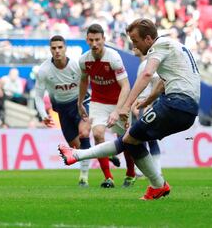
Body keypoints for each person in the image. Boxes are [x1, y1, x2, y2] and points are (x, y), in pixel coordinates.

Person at [59, 18, 200, 200]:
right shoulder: (175, 47)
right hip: (187, 110)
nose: (134, 45)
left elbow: (147, 74)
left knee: (130, 139)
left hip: (176, 104)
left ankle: (78, 155)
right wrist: (147, 100)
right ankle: (156, 186)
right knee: (131, 139)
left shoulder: (159, 46)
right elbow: (162, 84)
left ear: (148, 39)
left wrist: (126, 105)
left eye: (135, 40)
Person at [77, 24, 134, 188]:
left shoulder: (114, 58)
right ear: (87, 40)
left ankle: (130, 173)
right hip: (98, 102)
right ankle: (108, 178)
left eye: (97, 40)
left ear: (104, 39)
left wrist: (118, 110)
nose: (94, 43)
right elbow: (83, 80)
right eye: (91, 40)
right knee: (98, 133)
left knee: (126, 141)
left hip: (119, 102)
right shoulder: (84, 60)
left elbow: (126, 86)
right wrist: (80, 102)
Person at [35, 35, 92, 187]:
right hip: (62, 109)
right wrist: (43, 115)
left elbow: (88, 83)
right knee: (77, 146)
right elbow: (38, 97)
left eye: (60, 47)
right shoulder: (44, 70)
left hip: (81, 103)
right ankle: (103, 153)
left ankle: (83, 177)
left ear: (65, 48)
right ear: (50, 50)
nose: (57, 51)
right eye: (54, 48)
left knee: (84, 133)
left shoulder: (76, 65)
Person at [131, 47, 161, 177]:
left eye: (136, 44)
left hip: (147, 105)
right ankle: (152, 169)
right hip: (142, 105)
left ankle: (154, 169)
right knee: (145, 138)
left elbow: (156, 83)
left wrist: (150, 104)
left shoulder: (148, 63)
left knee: (147, 138)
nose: (133, 47)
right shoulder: (143, 64)